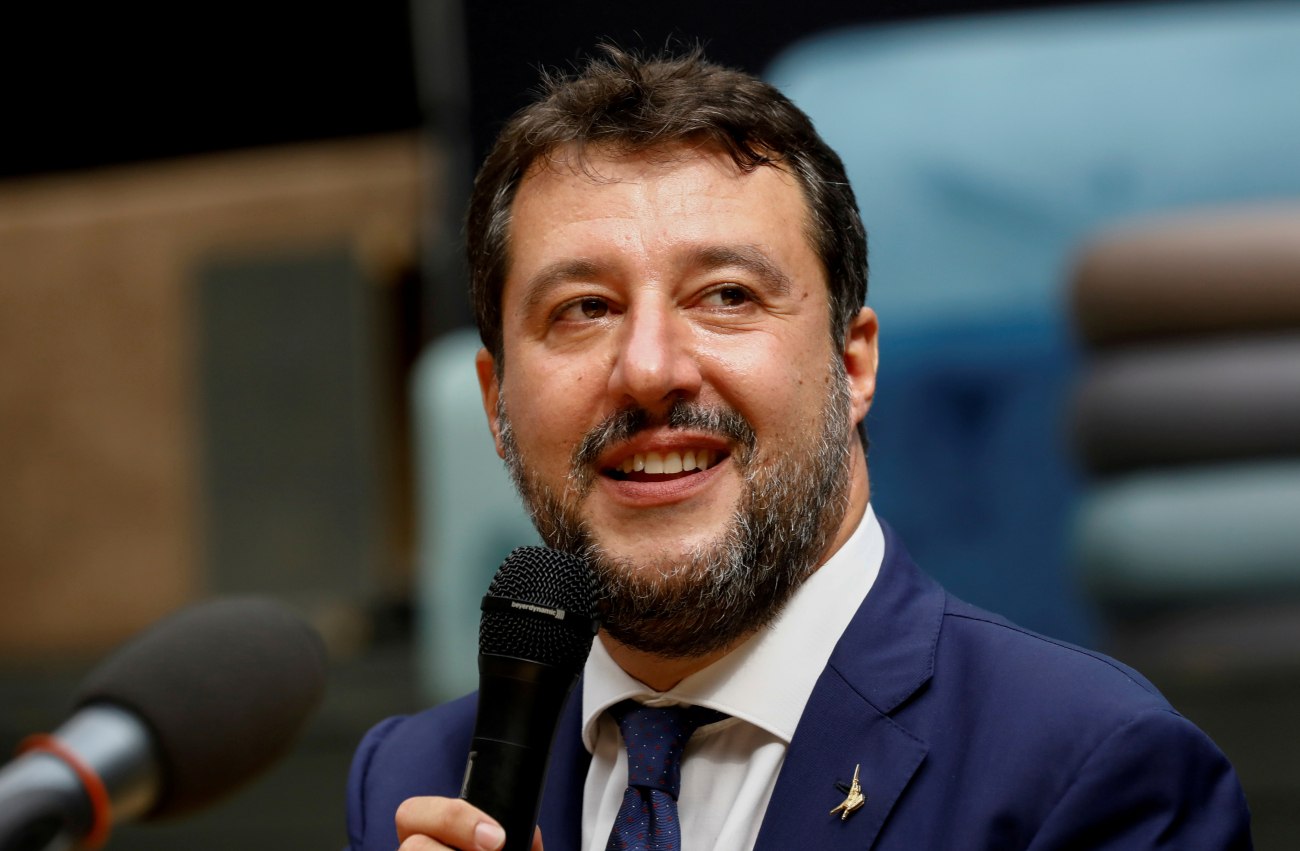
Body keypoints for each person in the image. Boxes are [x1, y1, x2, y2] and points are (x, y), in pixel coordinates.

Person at [346, 46, 1252, 850]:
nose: (649, 369)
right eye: (584, 309)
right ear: (496, 401)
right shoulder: (412, 786)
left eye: (727, 295)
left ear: (852, 365)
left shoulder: (1086, 769)